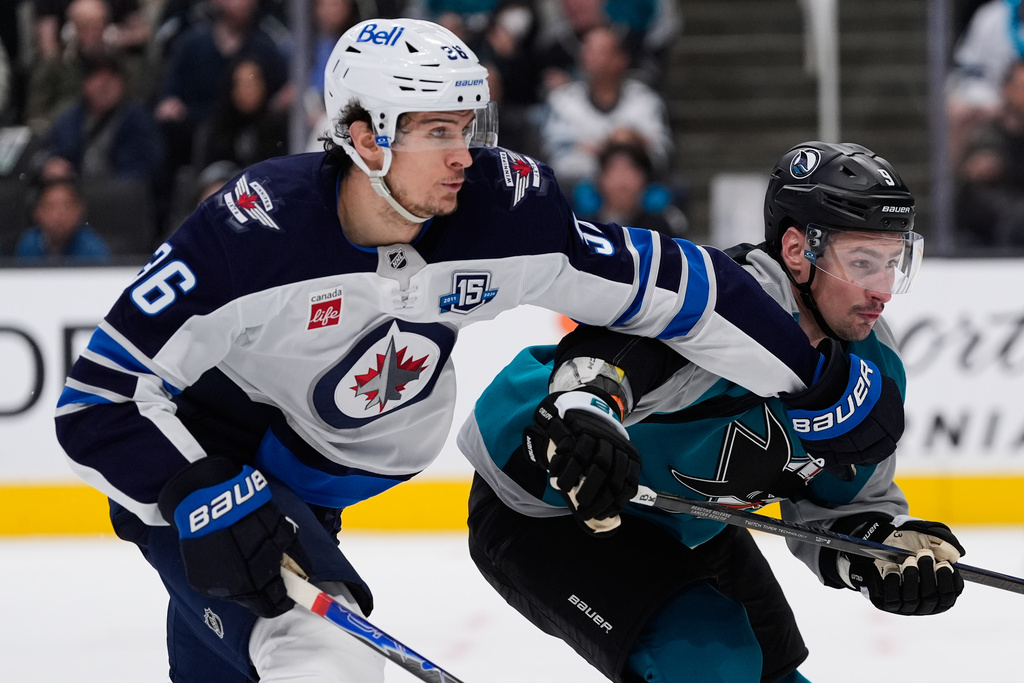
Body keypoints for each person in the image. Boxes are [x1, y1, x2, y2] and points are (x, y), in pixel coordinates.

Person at [54, 19, 900, 682]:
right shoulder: (249, 232)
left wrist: (819, 382)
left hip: (311, 488)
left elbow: (681, 287)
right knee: (325, 659)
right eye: (436, 130)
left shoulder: (499, 208)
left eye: (470, 123)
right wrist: (205, 492)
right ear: (362, 134)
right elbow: (99, 399)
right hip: (216, 467)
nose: (466, 152)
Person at [458, 141, 963, 683]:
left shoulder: (874, 367)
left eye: (893, 262)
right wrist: (587, 410)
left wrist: (880, 554)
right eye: (863, 263)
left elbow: (844, 505)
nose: (881, 290)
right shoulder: (724, 305)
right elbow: (624, 351)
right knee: (712, 665)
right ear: (797, 251)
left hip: (683, 521)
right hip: (544, 505)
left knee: (775, 676)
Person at [15, 175, 111, 261]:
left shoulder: (93, 250)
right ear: (37, 212)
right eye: (51, 206)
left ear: (79, 210)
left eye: (67, 206)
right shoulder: (28, 244)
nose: (59, 215)